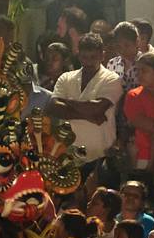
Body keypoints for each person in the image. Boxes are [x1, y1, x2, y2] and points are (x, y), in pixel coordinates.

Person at [48, 32, 122, 180]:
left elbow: (97, 108)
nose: (88, 62)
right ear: (78, 55)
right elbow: (54, 107)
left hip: (100, 157)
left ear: (102, 55)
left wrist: (67, 101)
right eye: (84, 57)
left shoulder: (112, 79)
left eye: (93, 57)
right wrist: (89, 115)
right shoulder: (66, 77)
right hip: (68, 157)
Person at [121, 51, 154, 181]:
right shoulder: (133, 96)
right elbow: (150, 126)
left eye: (144, 71)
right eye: (137, 70)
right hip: (144, 156)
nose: (139, 75)